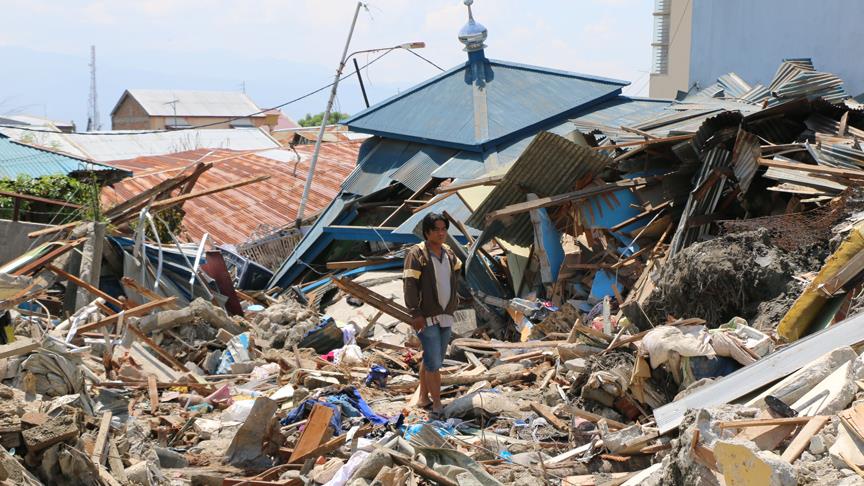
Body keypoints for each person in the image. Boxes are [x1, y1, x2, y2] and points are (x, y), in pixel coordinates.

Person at [403, 212, 462, 415]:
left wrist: (454, 300)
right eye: (436, 229)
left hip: (446, 313)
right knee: (435, 362)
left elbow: (456, 273)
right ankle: (437, 404)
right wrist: (415, 313)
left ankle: (422, 398)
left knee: (431, 357)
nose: (441, 233)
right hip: (426, 316)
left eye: (444, 229)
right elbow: (409, 284)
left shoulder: (448, 252)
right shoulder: (417, 254)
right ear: (427, 232)